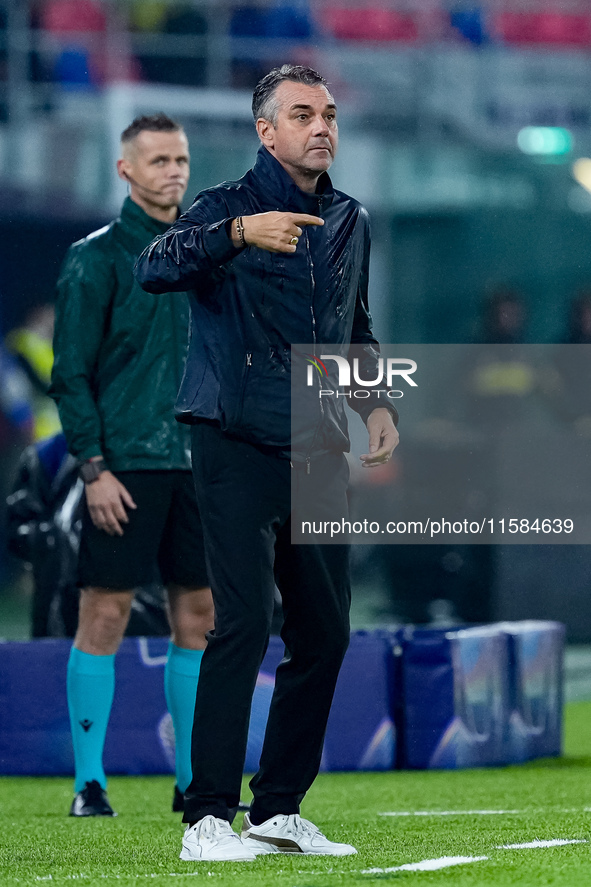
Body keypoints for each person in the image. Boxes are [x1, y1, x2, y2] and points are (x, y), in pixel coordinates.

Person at [135, 65, 399, 862]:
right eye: (300, 114)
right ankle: (206, 818)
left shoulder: (350, 218)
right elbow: (157, 264)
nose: (320, 126)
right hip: (234, 440)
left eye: (327, 114)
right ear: (265, 131)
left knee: (323, 630)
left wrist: (374, 402)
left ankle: (276, 809)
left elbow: (353, 330)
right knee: (244, 622)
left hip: (317, 446)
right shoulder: (222, 207)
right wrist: (239, 235)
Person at [50, 113, 214, 818]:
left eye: (180, 158)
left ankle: (191, 784)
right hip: (124, 466)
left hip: (199, 464)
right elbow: (69, 373)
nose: (173, 170)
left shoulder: (210, 252)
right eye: (157, 160)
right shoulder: (96, 258)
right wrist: (92, 466)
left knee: (200, 617)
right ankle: (90, 782)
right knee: (105, 614)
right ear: (125, 169)